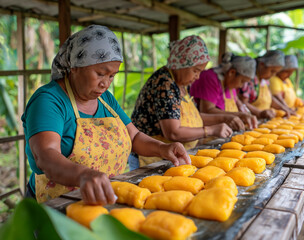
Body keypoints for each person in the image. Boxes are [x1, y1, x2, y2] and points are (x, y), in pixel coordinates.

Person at [21, 25, 190, 205]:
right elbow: (46, 156)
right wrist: (83, 175)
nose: (106, 84)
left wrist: (163, 148)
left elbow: (134, 137)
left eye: (112, 76)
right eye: (100, 74)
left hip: (103, 199)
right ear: (75, 66)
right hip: (56, 206)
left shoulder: (106, 100)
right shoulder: (49, 100)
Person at [130, 35, 234, 170]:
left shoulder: (182, 84)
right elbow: (173, 132)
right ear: (181, 64)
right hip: (152, 156)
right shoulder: (164, 83)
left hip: (171, 157)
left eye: (200, 72)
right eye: (195, 71)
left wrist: (225, 118)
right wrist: (211, 130)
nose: (197, 77)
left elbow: (192, 118)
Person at [190, 52, 258, 129]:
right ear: (232, 72)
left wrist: (245, 113)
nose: (241, 86)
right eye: (242, 81)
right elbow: (207, 110)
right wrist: (238, 115)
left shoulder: (230, 84)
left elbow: (237, 102)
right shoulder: (210, 78)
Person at [238, 50, 295, 118]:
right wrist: (260, 113)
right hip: (252, 120)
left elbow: (271, 98)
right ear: (262, 65)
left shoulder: (265, 80)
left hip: (263, 119)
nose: (273, 75)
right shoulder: (250, 80)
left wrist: (284, 108)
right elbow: (243, 103)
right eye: (272, 71)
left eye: (275, 72)